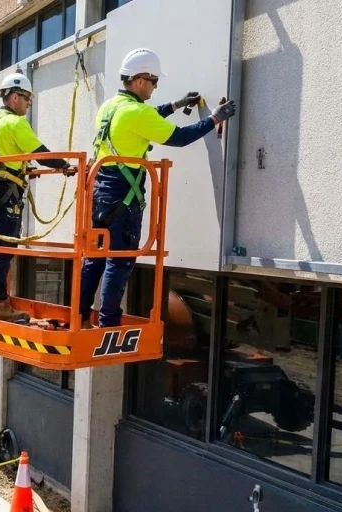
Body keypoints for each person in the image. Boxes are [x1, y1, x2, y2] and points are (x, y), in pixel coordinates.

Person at [78, 48, 237, 328]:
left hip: (101, 192)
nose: (154, 87)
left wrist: (175, 105)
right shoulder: (137, 113)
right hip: (123, 199)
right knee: (120, 260)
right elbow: (180, 137)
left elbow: (147, 116)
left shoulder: (111, 106)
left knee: (95, 258)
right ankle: (108, 323)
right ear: (139, 81)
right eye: (153, 82)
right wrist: (215, 118)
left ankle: (79, 315)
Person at [0, 69, 77, 323]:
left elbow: (3, 156)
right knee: (4, 248)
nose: (28, 105)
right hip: (5, 192)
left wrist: (23, 169)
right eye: (27, 99)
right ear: (15, 97)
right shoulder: (15, 123)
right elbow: (39, 152)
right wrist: (64, 165)